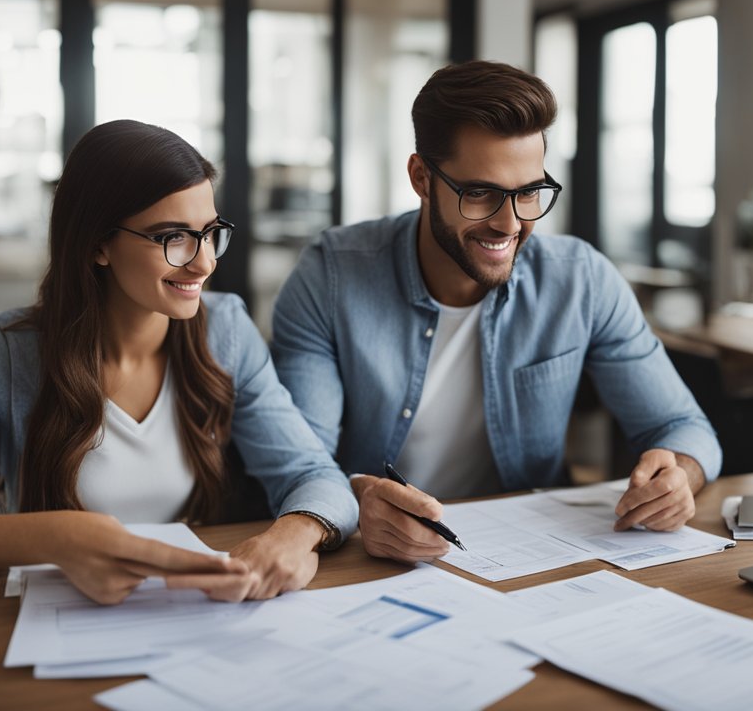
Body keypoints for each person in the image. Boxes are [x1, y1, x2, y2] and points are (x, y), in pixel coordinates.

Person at [0, 120, 357, 604]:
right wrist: (57, 538)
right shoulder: (5, 353)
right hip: (50, 622)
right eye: (173, 237)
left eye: (210, 231)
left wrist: (295, 533)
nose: (204, 261)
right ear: (97, 245)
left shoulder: (227, 331)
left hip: (193, 613)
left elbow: (312, 472)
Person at [271, 61, 722, 563]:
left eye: (529, 191)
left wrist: (678, 474)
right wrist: (361, 498)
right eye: (480, 193)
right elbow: (297, 459)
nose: (510, 224)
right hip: (373, 562)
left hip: (538, 560)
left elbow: (683, 425)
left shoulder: (580, 279)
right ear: (422, 178)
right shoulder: (330, 278)